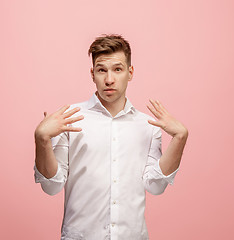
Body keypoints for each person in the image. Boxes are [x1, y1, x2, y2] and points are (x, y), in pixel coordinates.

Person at [33, 34, 188, 240]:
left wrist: (179, 138)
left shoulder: (148, 126)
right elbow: (51, 187)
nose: (109, 79)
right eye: (101, 70)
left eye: (118, 69)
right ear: (92, 73)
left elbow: (156, 186)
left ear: (130, 72)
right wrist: (41, 139)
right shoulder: (68, 119)